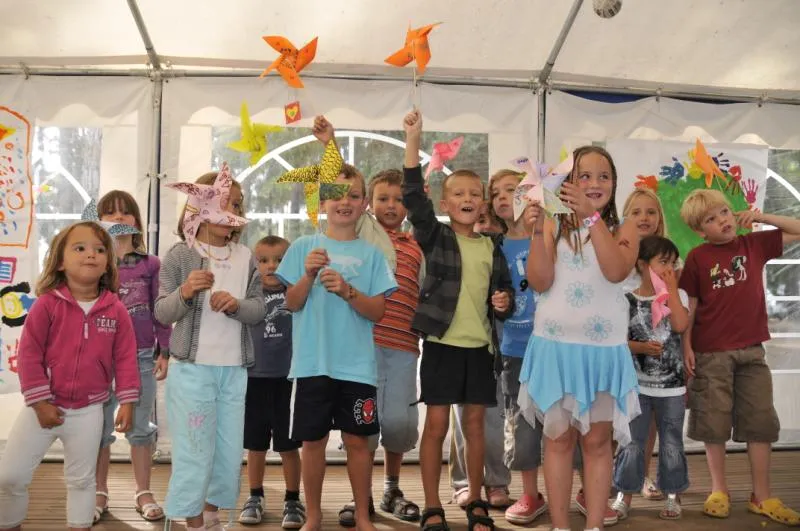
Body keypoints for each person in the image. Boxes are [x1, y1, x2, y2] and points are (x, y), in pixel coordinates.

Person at [275, 129, 398, 531]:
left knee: (359, 443)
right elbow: (290, 304)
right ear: (322, 201)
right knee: (312, 443)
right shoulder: (302, 247)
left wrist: (348, 291)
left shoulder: (374, 254)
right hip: (312, 365)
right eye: (336, 194)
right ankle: (313, 516)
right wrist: (308, 277)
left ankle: (363, 516)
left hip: (357, 367)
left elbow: (378, 311)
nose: (344, 201)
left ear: (364, 203)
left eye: (353, 195)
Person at [402, 109, 514, 531]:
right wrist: (413, 139)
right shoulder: (436, 236)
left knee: (475, 429)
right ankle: (432, 505)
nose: (468, 198)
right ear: (446, 204)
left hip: (480, 350)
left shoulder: (492, 246)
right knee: (435, 426)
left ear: (482, 202)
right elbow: (414, 195)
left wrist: (503, 302)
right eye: (458, 193)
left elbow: (505, 300)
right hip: (442, 347)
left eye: (474, 192)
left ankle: (477, 499)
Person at [519, 146, 640, 531]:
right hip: (555, 351)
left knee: (598, 443)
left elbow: (616, 270)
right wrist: (538, 230)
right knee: (556, 441)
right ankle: (559, 525)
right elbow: (540, 281)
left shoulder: (626, 229)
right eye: (583, 176)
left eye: (603, 176)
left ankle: (594, 526)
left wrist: (591, 219)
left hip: (602, 354)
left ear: (614, 184)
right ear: (567, 184)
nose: (594, 183)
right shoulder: (553, 226)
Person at [0, 221, 139, 531]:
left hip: (89, 411)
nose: (91, 254)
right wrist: (40, 403)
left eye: (100, 249)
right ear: (60, 261)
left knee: (81, 480)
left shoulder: (116, 311)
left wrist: (127, 401)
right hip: (42, 407)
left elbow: (126, 358)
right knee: (10, 476)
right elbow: (29, 355)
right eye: (80, 248)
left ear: (107, 264)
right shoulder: (47, 305)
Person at [679, 189, 800, 526]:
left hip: (752, 350)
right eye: (711, 219)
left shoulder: (753, 245)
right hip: (710, 352)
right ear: (700, 231)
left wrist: (761, 218)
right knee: (712, 421)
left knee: (760, 422)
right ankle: (719, 490)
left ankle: (762, 496)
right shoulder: (697, 258)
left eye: (725, 212)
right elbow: (692, 305)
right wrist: (686, 345)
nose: (723, 221)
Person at [155, 166, 265, 530]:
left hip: (233, 372)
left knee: (229, 449)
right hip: (192, 370)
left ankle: (213, 512)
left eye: (237, 204)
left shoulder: (246, 255)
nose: (232, 212)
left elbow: (259, 309)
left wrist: (235, 305)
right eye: (224, 203)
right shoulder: (180, 255)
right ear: (199, 206)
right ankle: (191, 519)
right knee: (194, 448)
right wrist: (185, 292)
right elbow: (162, 311)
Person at [92, 190, 171, 523]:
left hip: (140, 355)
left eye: (125, 213)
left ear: (137, 221)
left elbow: (160, 309)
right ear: (97, 222)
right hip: (98, 356)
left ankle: (143, 490)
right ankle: (98, 491)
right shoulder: (94, 261)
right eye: (110, 213)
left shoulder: (151, 264)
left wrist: (163, 349)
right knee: (98, 427)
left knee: (140, 426)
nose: (118, 218)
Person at [486, 169, 549, 525]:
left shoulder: (550, 236)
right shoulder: (494, 246)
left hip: (555, 346)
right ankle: (529, 493)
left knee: (567, 418)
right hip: (514, 347)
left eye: (512, 189)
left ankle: (586, 488)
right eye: (496, 193)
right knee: (521, 422)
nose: (503, 197)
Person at [612, 235, 690, 520]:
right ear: (642, 265)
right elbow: (619, 340)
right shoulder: (627, 299)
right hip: (637, 386)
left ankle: (672, 495)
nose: (669, 268)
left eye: (673, 262)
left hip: (671, 388)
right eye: (662, 262)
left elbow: (680, 325)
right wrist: (642, 347)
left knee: (671, 442)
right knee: (632, 441)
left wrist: (670, 289)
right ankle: (624, 493)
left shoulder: (677, 295)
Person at [238, 235, 305, 529]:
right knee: (256, 444)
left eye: (279, 259)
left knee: (289, 445)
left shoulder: (296, 293)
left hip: (288, 380)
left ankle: (293, 499)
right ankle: (255, 496)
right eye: (263, 260)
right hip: (253, 378)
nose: (271, 266)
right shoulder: (248, 295)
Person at [448, 201, 512, 511]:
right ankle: (463, 483)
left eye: (491, 221)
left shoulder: (503, 255)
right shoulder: (461, 251)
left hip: (499, 349)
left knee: (494, 421)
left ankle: (497, 480)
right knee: (463, 419)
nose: (484, 225)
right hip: (465, 346)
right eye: (480, 220)